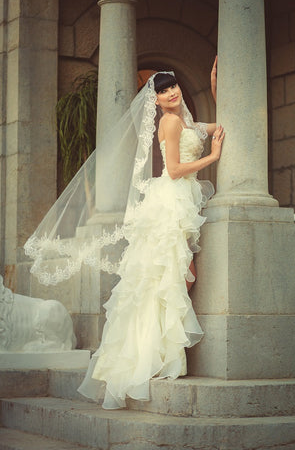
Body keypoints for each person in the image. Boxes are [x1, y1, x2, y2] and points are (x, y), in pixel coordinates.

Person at [24, 59, 224, 409]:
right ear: (156, 100)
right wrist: (215, 157)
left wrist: (213, 84)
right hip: (172, 201)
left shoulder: (184, 119)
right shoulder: (172, 122)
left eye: (172, 86)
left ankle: (159, 354)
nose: (171, 92)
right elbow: (175, 170)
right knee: (173, 278)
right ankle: (159, 355)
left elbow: (216, 125)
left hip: (175, 202)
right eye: (162, 90)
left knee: (167, 279)